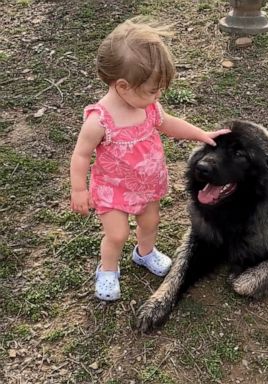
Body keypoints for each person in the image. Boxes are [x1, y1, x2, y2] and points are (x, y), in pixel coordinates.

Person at [70, 18, 229, 301]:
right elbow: (81, 155)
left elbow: (168, 124)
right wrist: (79, 189)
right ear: (122, 86)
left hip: (147, 185)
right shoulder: (99, 121)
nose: (158, 96)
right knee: (117, 234)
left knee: (150, 222)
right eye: (152, 90)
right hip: (114, 189)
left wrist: (201, 134)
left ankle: (144, 253)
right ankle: (107, 269)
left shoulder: (148, 107)